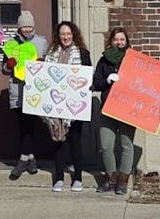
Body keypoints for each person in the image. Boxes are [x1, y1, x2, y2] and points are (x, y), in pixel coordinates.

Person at [44, 21, 92, 192]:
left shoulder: (83, 53)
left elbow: (88, 78)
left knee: (75, 141)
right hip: (56, 106)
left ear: (74, 35)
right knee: (58, 141)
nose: (65, 37)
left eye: (68, 34)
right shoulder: (50, 54)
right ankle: (58, 178)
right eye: (62, 34)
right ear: (58, 36)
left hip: (75, 106)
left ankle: (77, 177)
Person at [0, 10, 48, 180]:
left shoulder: (41, 42)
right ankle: (30, 158)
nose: (27, 29)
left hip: (35, 89)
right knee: (22, 125)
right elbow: (4, 70)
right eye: (24, 26)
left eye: (29, 26)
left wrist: (42, 65)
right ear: (19, 28)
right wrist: (9, 65)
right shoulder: (12, 44)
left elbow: (49, 66)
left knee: (32, 124)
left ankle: (23, 159)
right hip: (17, 88)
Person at [92, 26, 136, 195]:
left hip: (127, 108)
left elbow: (146, 83)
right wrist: (107, 80)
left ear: (126, 41)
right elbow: (96, 83)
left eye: (122, 39)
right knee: (106, 145)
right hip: (108, 108)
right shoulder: (104, 60)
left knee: (126, 145)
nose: (119, 42)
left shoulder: (134, 60)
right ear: (111, 41)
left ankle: (123, 181)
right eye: (116, 39)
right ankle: (111, 179)